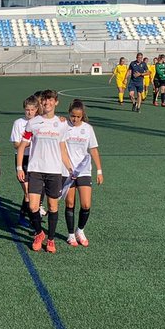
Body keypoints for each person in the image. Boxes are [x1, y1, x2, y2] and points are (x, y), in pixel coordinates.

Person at [16, 90, 74, 253]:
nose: (47, 103)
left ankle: (50, 240)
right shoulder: (33, 123)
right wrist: (20, 168)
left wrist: (70, 168)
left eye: (50, 100)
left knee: (53, 206)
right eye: (44, 101)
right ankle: (39, 233)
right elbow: (21, 147)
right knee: (33, 206)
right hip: (35, 170)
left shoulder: (62, 124)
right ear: (41, 103)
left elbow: (62, 148)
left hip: (54, 172)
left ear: (56, 102)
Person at [61, 100, 103, 248]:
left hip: (84, 170)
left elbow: (93, 150)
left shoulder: (88, 129)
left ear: (82, 116)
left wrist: (99, 170)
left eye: (78, 117)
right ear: (69, 114)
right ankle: (70, 234)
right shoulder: (64, 126)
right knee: (70, 203)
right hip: (67, 171)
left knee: (86, 204)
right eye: (72, 116)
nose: (75, 119)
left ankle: (80, 230)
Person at [11, 94, 39, 227]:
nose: (30, 112)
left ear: (37, 110)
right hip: (22, 158)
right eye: (27, 109)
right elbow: (16, 144)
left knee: (33, 191)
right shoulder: (18, 123)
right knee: (27, 191)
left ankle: (27, 214)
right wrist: (28, 143)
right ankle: (26, 217)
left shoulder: (40, 122)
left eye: (32, 110)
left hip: (36, 158)